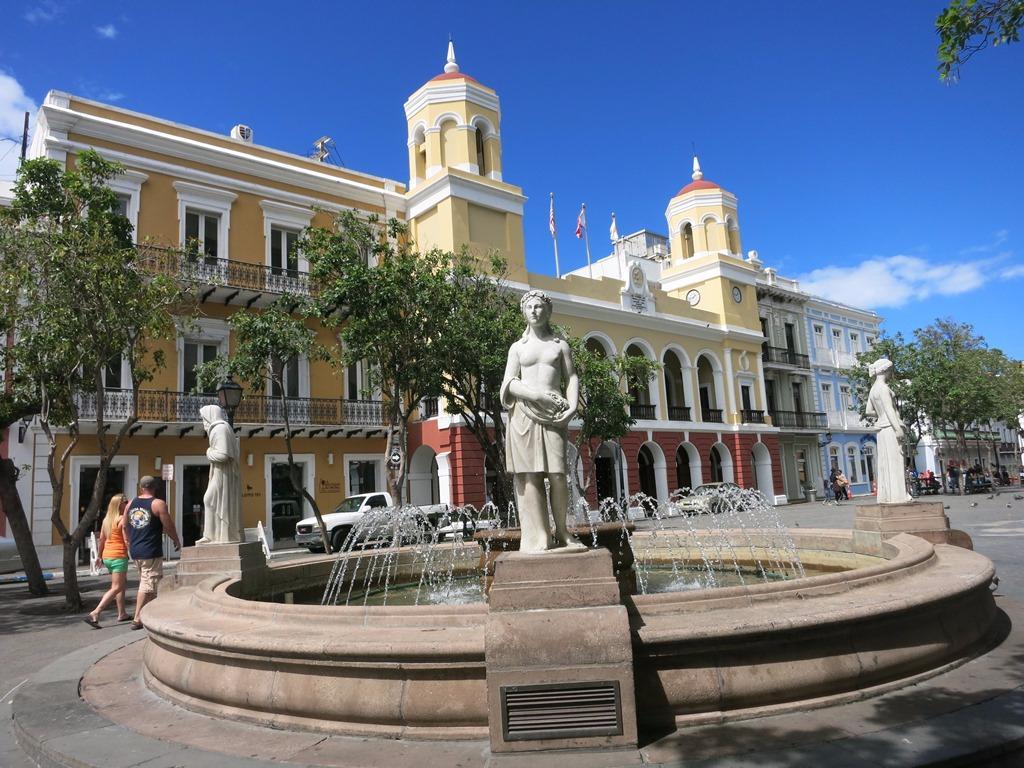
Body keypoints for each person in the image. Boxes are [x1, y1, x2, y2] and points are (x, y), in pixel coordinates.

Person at [501, 290, 584, 554]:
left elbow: (571, 377)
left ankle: (562, 530)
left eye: (539, 307)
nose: (535, 311)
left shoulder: (560, 345)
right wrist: (536, 395)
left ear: (548, 312)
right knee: (531, 477)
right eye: (530, 307)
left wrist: (572, 407)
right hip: (524, 415)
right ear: (524, 313)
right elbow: (509, 383)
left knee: (559, 475)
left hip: (555, 416)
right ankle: (539, 537)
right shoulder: (518, 348)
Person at [124, 476, 181, 630]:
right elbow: (168, 525)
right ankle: (137, 619)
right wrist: (176, 539)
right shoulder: (158, 504)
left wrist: (128, 542)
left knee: (149, 581)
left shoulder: (130, 504)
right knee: (147, 584)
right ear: (155, 487)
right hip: (150, 550)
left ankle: (149, 614)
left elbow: (124, 526)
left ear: (141, 487)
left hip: (135, 550)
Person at [865, 358, 912, 504]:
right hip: (890, 428)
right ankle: (898, 496)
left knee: (886, 463)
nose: (892, 373)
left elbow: (868, 411)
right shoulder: (883, 388)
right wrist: (898, 428)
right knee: (895, 462)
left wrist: (880, 415)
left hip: (881, 429)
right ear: (886, 370)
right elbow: (890, 410)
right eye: (891, 370)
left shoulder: (873, 389)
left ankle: (886, 496)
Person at [83, 494, 131, 628]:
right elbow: (126, 539)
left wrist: (99, 557)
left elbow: (102, 540)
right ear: (119, 505)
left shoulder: (106, 521)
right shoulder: (122, 520)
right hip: (118, 556)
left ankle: (122, 613)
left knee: (121, 584)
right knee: (116, 587)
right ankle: (95, 613)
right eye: (125, 502)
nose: (127, 503)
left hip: (107, 556)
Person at [196, 404, 242, 544]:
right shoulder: (223, 428)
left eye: (204, 419)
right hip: (221, 472)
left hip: (223, 473)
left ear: (210, 416)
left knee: (209, 499)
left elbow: (223, 455)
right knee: (210, 500)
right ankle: (213, 535)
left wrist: (209, 452)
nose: (203, 422)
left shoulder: (219, 429)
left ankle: (214, 536)